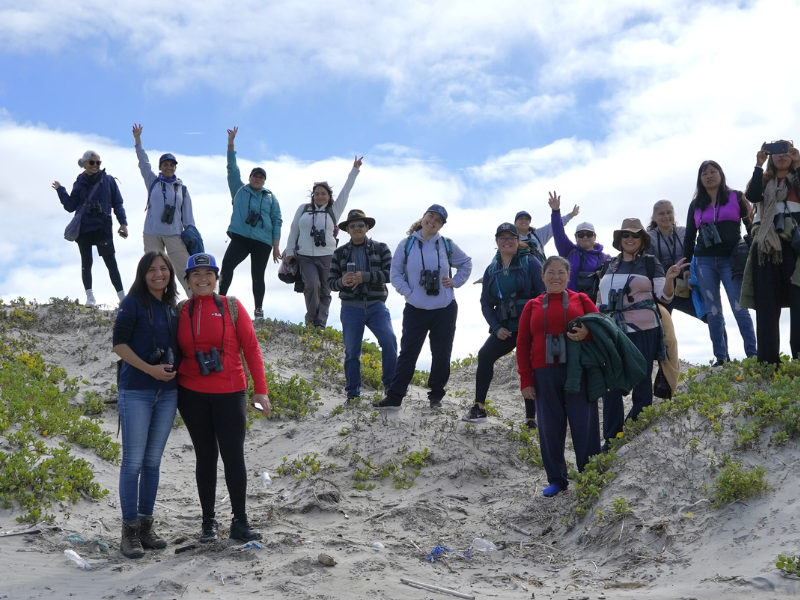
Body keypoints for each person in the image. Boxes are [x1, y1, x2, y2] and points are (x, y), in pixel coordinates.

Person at [176, 253, 270, 543]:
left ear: (217, 278)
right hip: (191, 394)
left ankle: (240, 522)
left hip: (230, 393)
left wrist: (260, 390)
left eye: (209, 273)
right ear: (187, 280)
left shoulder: (231, 306)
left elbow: (251, 348)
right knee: (205, 457)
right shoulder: (181, 310)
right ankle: (208, 523)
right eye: (196, 274)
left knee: (233, 456)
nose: (202, 279)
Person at [112, 251, 178, 558]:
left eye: (163, 268)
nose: (158, 274)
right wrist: (150, 369)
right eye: (151, 269)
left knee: (152, 462)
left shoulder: (172, 307)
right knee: (133, 462)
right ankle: (129, 531)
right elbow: (119, 345)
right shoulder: (132, 302)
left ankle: (146, 527)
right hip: (137, 390)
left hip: (168, 393)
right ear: (142, 274)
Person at [373, 205, 472, 409]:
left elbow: (466, 263)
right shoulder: (407, 244)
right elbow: (395, 273)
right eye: (430, 216)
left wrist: (455, 282)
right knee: (408, 353)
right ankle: (394, 397)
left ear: (441, 225)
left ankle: (436, 397)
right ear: (423, 217)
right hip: (415, 308)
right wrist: (409, 293)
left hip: (444, 307)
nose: (432, 221)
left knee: (442, 353)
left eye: (438, 220)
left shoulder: (446, 244)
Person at [515, 256, 599, 497]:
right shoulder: (531, 305)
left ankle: (589, 475)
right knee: (550, 428)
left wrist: (587, 332)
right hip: (544, 374)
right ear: (542, 276)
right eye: (550, 272)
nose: (556, 277)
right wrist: (525, 379)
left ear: (568, 276)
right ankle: (557, 480)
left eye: (561, 272)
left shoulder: (581, 299)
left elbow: (603, 328)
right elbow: (522, 343)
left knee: (584, 424)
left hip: (577, 371)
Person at [598, 218, 684, 445]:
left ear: (642, 239)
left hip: (643, 329)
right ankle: (612, 438)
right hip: (612, 330)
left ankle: (635, 430)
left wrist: (669, 279)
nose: (630, 238)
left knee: (641, 378)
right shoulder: (609, 265)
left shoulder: (650, 263)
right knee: (610, 383)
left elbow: (665, 297)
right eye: (625, 234)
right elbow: (600, 297)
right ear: (619, 239)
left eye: (635, 235)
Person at [462, 223, 544, 426]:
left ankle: (531, 418)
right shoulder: (492, 269)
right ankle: (479, 408)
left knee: (529, 364)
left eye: (511, 237)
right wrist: (496, 327)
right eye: (502, 238)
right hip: (506, 328)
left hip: (530, 326)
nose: (506, 241)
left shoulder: (531, 262)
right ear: (497, 241)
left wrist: (534, 324)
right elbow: (486, 303)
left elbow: (543, 295)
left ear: (518, 240)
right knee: (485, 355)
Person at [683, 160, 757, 365]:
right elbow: (689, 238)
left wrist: (755, 254)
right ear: (700, 179)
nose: (709, 176)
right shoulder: (695, 204)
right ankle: (721, 358)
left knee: (739, 307)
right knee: (713, 311)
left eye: (713, 172)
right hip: (704, 261)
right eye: (704, 173)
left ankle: (753, 355)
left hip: (731, 260)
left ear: (721, 174)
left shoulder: (737, 197)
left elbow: (751, 226)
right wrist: (686, 266)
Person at [283, 157, 363, 327]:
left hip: (328, 256)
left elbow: (346, 191)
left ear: (329, 196)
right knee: (312, 285)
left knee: (326, 290)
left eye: (323, 193)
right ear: (312, 195)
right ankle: (310, 321)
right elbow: (294, 230)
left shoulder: (334, 210)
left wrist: (354, 170)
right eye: (317, 194)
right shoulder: (303, 209)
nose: (320, 196)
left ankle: (320, 324)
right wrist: (290, 251)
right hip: (305, 256)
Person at [328, 209, 397, 406]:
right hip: (350, 307)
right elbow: (330, 283)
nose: (356, 228)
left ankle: (391, 389)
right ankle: (353, 395)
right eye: (352, 225)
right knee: (352, 352)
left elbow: (391, 274)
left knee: (389, 341)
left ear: (367, 227)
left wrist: (363, 277)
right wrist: (342, 281)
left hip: (377, 305)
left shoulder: (381, 248)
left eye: (360, 224)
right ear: (347, 230)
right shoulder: (339, 253)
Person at [647, 199, 728, 361]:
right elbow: (648, 264)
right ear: (654, 217)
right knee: (659, 327)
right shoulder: (649, 238)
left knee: (712, 315)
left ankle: (724, 357)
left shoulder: (684, 233)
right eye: (661, 213)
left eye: (669, 212)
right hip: (663, 288)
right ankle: (660, 363)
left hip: (686, 285)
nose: (666, 216)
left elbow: (696, 254)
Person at [743, 141, 800, 365]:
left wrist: (798, 164)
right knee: (766, 303)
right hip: (766, 246)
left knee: (798, 300)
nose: (782, 155)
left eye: (787, 151)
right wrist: (758, 165)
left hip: (795, 245)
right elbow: (752, 195)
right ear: (770, 157)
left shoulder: (796, 178)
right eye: (777, 152)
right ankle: (768, 363)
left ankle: (798, 359)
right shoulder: (763, 179)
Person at [219, 127, 282, 320]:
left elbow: (277, 220)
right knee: (227, 266)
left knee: (258, 275)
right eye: (255, 175)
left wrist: (276, 246)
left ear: (264, 181)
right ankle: (220, 301)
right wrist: (231, 143)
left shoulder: (270, 197)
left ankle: (259, 310)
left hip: (262, 241)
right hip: (241, 237)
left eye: (261, 177)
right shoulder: (239, 189)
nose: (257, 178)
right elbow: (232, 168)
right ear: (250, 178)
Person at [53, 150, 128, 306]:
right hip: (84, 227)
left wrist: (123, 223)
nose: (95, 165)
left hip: (103, 226)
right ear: (85, 164)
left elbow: (117, 203)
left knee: (111, 262)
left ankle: (123, 299)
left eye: (98, 162)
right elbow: (70, 206)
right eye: (92, 162)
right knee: (86, 262)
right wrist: (61, 191)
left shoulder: (108, 180)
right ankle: (90, 298)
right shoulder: (80, 182)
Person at [132, 124, 195, 297]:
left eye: (172, 165)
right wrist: (138, 140)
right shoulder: (153, 181)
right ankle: (152, 301)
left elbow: (188, 218)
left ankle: (196, 300)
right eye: (165, 164)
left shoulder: (182, 189)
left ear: (175, 168)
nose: (169, 167)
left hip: (174, 234)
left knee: (185, 270)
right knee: (152, 270)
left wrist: (191, 234)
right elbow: (143, 163)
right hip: (152, 233)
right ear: (160, 167)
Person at [548, 192, 607, 297]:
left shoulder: (605, 258)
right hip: (570, 302)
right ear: (576, 237)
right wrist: (555, 211)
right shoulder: (569, 251)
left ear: (595, 237)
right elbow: (558, 232)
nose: (585, 237)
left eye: (589, 234)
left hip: (595, 303)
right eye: (581, 234)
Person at [515, 205, 579, 264]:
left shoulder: (538, 234)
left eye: (526, 219)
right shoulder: (511, 237)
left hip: (538, 270)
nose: (524, 221)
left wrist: (571, 215)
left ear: (529, 222)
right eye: (521, 219)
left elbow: (555, 224)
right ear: (515, 222)